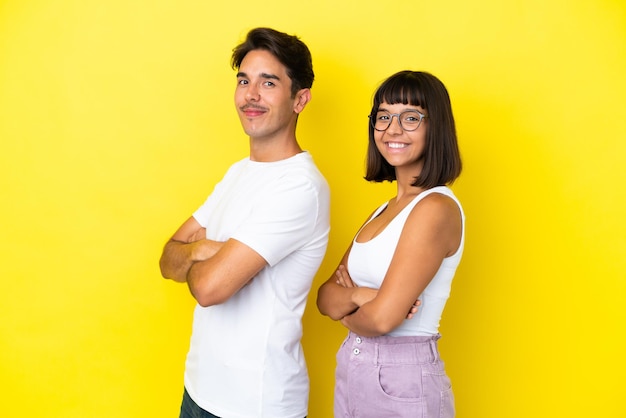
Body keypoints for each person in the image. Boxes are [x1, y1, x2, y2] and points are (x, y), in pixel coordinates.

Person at [159, 27, 330, 418]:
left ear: (300, 99)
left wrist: (204, 261)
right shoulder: (238, 173)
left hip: (257, 404)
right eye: (244, 81)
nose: (250, 95)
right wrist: (206, 249)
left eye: (268, 83)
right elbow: (167, 259)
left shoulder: (300, 187)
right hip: (199, 390)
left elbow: (208, 287)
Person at [316, 70, 464, 418]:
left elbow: (383, 320)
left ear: (436, 126)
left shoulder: (435, 208)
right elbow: (324, 297)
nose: (392, 129)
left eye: (411, 117)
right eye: (383, 117)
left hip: (402, 378)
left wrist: (354, 308)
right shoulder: (383, 210)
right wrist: (358, 297)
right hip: (355, 369)